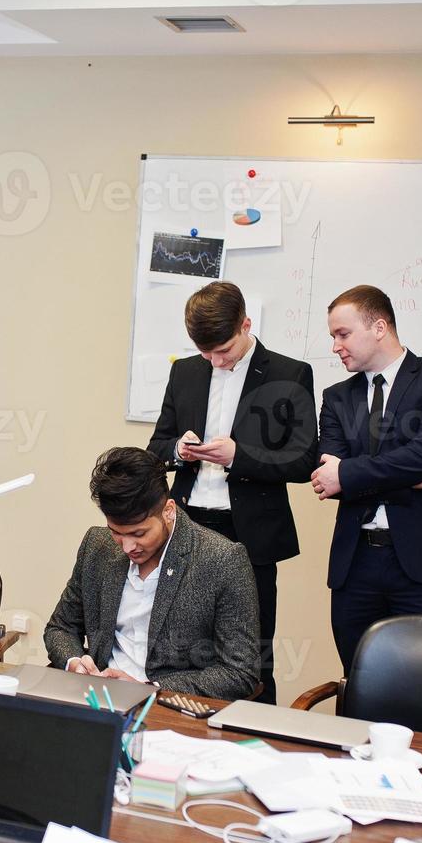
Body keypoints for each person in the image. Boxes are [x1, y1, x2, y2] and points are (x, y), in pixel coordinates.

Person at [146, 281, 316, 704]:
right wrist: (179, 451)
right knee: (177, 649)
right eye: (206, 353)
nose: (215, 361)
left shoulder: (289, 372)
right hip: (185, 526)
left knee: (251, 655)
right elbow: (156, 446)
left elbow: (303, 460)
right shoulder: (185, 371)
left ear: (246, 323)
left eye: (223, 350)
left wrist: (240, 456)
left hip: (250, 533)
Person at [311, 284, 422, 673]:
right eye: (333, 336)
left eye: (343, 334)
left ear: (379, 327)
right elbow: (327, 477)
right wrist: (409, 477)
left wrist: (352, 474)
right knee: (359, 678)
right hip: (356, 564)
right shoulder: (336, 396)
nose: (336, 346)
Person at [44, 446, 260, 700]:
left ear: (168, 511)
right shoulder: (96, 546)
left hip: (171, 709)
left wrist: (149, 688)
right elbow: (60, 627)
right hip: (97, 700)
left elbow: (239, 672)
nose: (127, 547)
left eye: (139, 534)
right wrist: (75, 663)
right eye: (116, 531)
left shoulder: (221, 559)